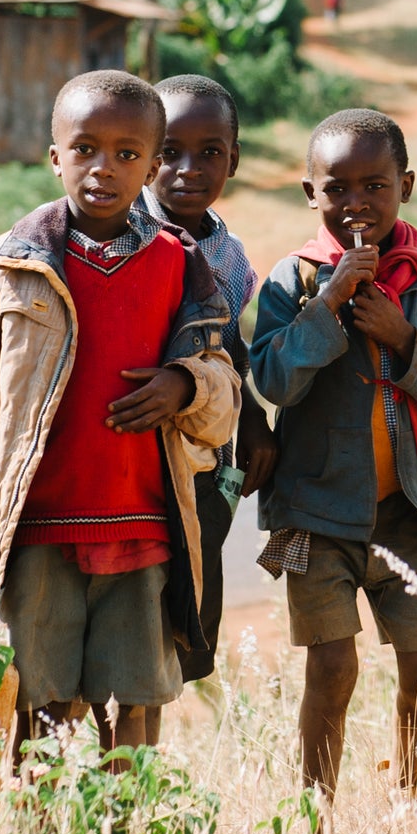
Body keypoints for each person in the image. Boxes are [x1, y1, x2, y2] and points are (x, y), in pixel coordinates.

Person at [0, 70, 240, 763]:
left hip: (145, 529)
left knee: (138, 708)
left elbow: (223, 395)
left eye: (128, 154)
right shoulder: (13, 263)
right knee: (40, 705)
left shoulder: (180, 265)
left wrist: (185, 385)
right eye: (86, 148)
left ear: (153, 167)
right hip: (37, 530)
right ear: (54, 156)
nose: (105, 168)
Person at [249, 108, 417, 814]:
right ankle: (314, 813)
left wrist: (404, 336)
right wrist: (327, 306)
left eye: (375, 185)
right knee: (331, 667)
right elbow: (272, 379)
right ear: (309, 192)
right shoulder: (291, 280)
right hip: (318, 513)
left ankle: (410, 777)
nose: (356, 204)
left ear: (405, 185)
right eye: (338, 189)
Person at [141, 73, 278, 684]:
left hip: (204, 450)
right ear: (144, 153)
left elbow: (229, 342)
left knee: (188, 598)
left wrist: (252, 415)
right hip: (133, 449)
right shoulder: (121, 234)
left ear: (235, 158)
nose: (188, 170)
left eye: (210, 153)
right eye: (169, 152)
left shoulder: (227, 253)